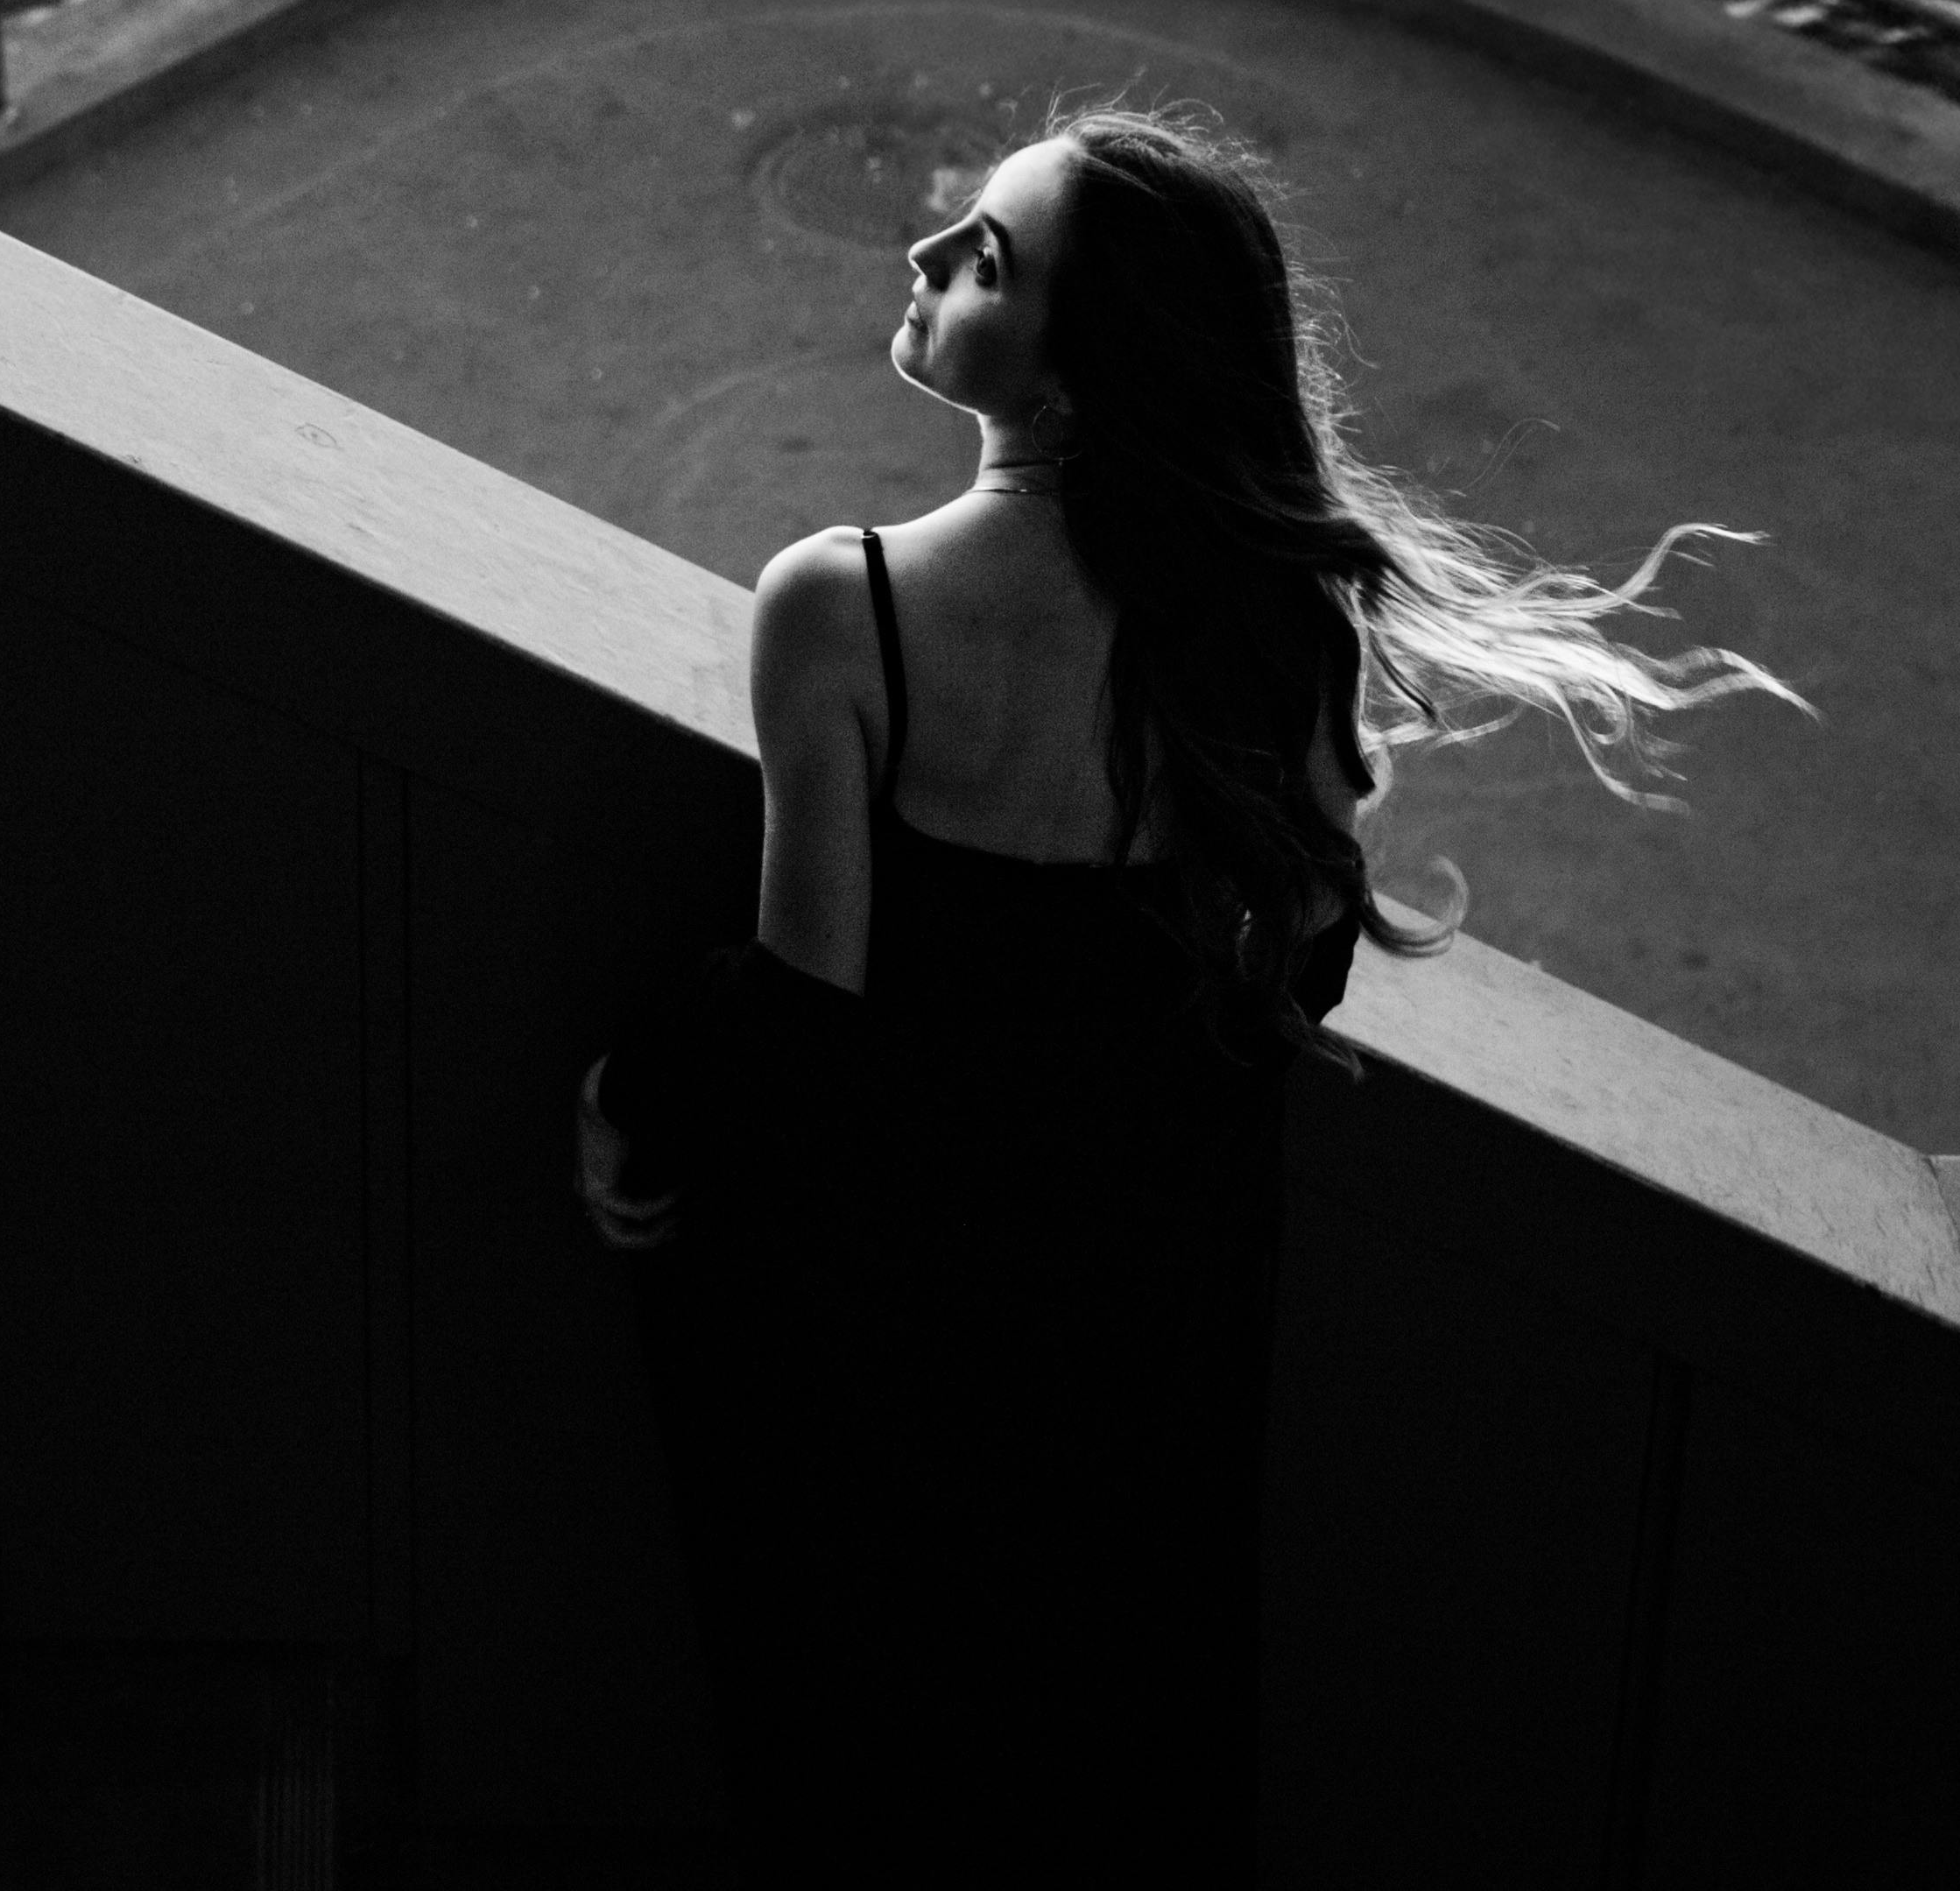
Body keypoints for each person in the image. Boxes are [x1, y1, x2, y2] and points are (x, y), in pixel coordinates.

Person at [574, 102, 1799, 1885]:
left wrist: (626, 1095)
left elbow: (805, 1001)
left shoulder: (843, 609)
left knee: (856, 1747)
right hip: (1141, 1318)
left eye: (983, 256)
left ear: (1084, 367)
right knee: (1114, 1758)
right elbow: (1294, 962)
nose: (923, 256)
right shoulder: (1276, 633)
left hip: (888, 1312)